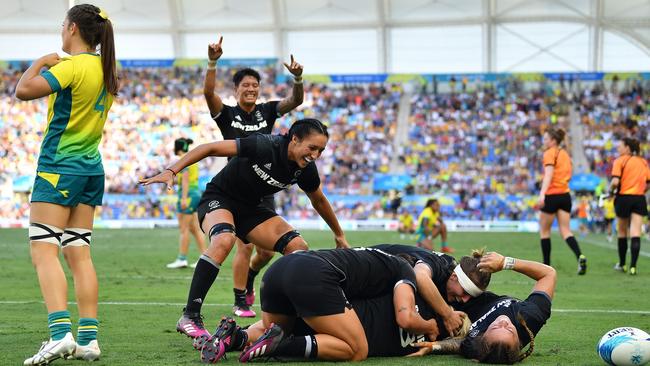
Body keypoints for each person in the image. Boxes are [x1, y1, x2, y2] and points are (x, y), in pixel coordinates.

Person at [139, 118, 350, 342]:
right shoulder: (264, 145)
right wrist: (172, 170)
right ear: (294, 139)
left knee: (298, 247)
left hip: (252, 209)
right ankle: (190, 315)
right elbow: (209, 148)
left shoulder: (306, 169)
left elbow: (319, 200)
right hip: (220, 198)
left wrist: (339, 234)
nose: (315, 155)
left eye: (321, 150)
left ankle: (292, 318)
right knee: (224, 240)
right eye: (312, 148)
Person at [15, 4, 117, 364]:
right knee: (79, 252)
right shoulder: (106, 70)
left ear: (73, 28)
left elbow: (23, 90)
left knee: (44, 250)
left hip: (59, 168)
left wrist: (41, 62)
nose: (61, 31)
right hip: (91, 169)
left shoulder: (72, 66)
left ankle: (60, 334)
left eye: (63, 25)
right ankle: (89, 339)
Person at [204, 36, 305, 317]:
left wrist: (297, 79)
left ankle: (249, 278)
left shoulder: (268, 110)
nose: (251, 89)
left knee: (267, 252)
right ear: (235, 90)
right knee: (245, 245)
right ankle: (239, 300)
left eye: (254, 86)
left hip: (265, 186)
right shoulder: (226, 114)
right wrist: (212, 62)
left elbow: (295, 100)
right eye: (245, 85)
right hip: (235, 187)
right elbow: (207, 93)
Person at [201, 247, 434, 363]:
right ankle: (282, 347)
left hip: (276, 271)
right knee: (357, 349)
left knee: (275, 328)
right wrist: (431, 324)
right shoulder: (403, 268)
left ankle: (235, 336)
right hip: (311, 275)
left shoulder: (371, 257)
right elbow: (405, 317)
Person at [408, 252, 556, 364]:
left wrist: (435, 347)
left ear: (483, 336)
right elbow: (548, 274)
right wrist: (506, 262)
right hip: (467, 290)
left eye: (496, 328)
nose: (503, 322)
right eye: (509, 329)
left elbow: (459, 345)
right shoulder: (531, 316)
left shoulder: (477, 344)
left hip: (453, 304)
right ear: (518, 339)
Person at [536, 128, 587, 274]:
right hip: (565, 195)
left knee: (545, 231)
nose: (544, 142)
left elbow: (549, 175)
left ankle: (546, 266)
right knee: (566, 230)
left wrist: (542, 194)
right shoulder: (565, 155)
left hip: (552, 195)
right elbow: (568, 176)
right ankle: (580, 256)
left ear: (553, 141)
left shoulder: (549, 153)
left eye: (546, 139)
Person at [609, 137, 650, 275]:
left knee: (622, 232)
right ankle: (633, 267)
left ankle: (622, 264)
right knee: (635, 232)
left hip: (624, 198)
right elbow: (648, 183)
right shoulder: (643, 162)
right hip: (639, 198)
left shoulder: (620, 160)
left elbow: (615, 182)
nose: (618, 148)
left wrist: (610, 191)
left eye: (620, 146)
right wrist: (641, 191)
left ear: (627, 148)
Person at [166, 138, 208, 269]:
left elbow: (184, 179)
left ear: (177, 148)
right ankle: (205, 257)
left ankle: (182, 258)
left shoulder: (184, 159)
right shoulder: (193, 158)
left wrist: (183, 198)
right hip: (196, 194)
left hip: (188, 195)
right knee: (195, 229)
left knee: (184, 229)